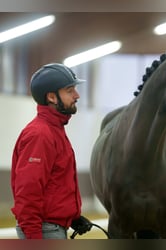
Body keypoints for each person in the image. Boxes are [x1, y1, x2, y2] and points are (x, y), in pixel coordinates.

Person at [11, 63, 92, 239]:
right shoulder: (40, 135)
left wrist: (72, 217)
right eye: (70, 91)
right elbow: (28, 191)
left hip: (52, 228)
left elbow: (55, 185)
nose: (77, 96)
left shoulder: (54, 130)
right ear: (52, 97)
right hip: (43, 230)